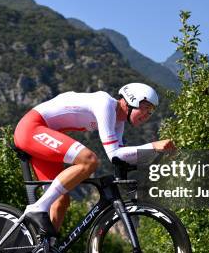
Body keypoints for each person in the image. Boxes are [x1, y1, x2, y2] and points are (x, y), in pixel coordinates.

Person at [13, 83, 175, 237]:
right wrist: (154, 145)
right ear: (132, 100)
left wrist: (155, 159)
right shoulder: (105, 104)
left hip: (43, 136)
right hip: (31, 128)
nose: (148, 115)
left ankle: (44, 252)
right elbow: (114, 153)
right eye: (146, 108)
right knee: (89, 160)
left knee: (61, 201)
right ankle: (38, 208)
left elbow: (119, 158)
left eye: (151, 112)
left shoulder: (118, 123)